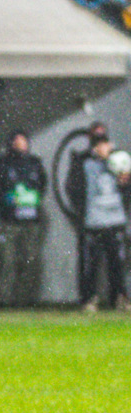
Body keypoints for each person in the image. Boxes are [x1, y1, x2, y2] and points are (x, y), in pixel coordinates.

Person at [0, 131, 46, 308]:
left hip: (31, 220)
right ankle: (3, 299)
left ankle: (26, 299)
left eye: (23, 141)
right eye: (17, 141)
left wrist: (32, 201)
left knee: (30, 260)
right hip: (9, 220)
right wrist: (6, 205)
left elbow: (42, 186)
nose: (20, 144)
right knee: (6, 260)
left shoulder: (35, 163)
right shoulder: (3, 163)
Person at [78, 133, 126, 312]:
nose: (104, 148)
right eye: (100, 145)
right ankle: (90, 298)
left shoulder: (120, 162)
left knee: (117, 264)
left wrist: (124, 182)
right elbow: (77, 187)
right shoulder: (87, 165)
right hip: (94, 222)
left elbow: (125, 189)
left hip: (115, 221)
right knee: (92, 265)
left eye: (106, 144)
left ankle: (119, 297)